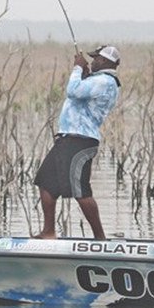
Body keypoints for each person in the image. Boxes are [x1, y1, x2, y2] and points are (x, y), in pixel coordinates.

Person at [33, 45, 121, 240]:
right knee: (45, 182)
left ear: (107, 62)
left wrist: (78, 69)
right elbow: (82, 93)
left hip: (81, 141)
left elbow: (73, 91)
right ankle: (49, 232)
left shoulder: (106, 81)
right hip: (67, 139)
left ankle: (100, 238)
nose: (92, 61)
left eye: (96, 59)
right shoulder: (97, 80)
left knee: (80, 189)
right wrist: (85, 74)